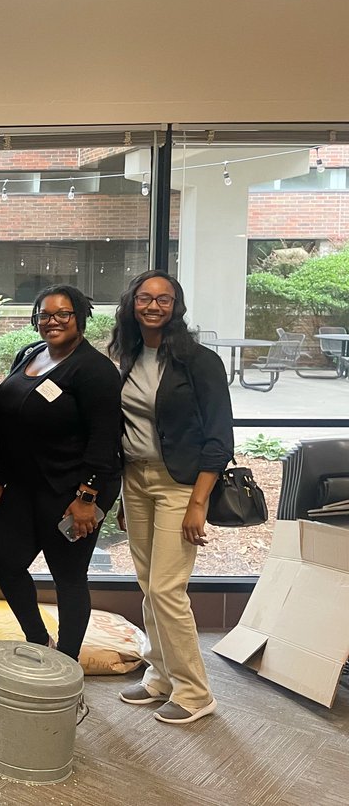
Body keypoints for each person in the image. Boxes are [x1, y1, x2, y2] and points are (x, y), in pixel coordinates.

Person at [109, 270, 232, 725]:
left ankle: (196, 692)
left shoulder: (198, 361)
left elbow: (219, 439)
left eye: (164, 299)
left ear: (176, 306)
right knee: (148, 584)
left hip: (180, 483)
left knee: (167, 588)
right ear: (132, 304)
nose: (154, 306)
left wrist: (199, 501)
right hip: (135, 480)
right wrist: (123, 496)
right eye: (145, 298)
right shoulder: (127, 354)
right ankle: (160, 675)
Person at [0, 284, 122, 668]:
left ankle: (67, 662)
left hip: (73, 491)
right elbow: (8, 420)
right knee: (4, 559)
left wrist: (88, 498)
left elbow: (105, 437)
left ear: (80, 317)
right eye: (44, 315)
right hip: (26, 485)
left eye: (63, 314)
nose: (52, 321)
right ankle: (37, 640)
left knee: (69, 575)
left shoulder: (95, 369)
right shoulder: (29, 355)